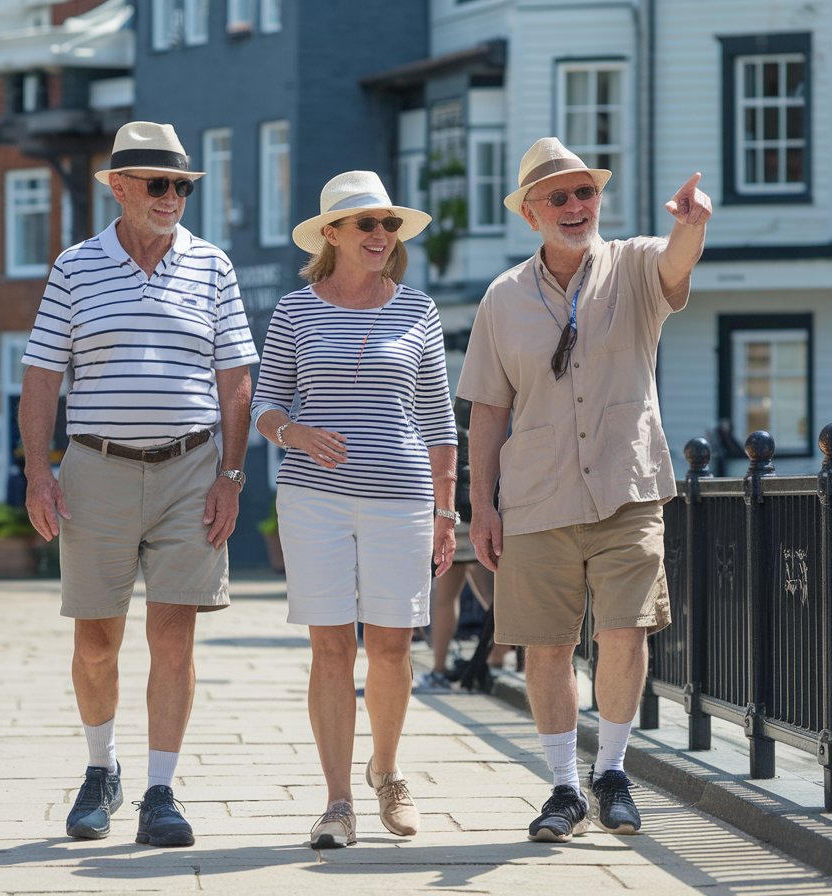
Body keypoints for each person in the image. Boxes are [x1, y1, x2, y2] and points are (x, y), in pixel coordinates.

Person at [457, 137, 711, 842]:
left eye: (585, 193)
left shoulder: (632, 265)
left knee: (625, 634)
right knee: (545, 647)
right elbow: (487, 409)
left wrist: (692, 223)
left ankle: (614, 773)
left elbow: (676, 263)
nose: (575, 206)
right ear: (531, 213)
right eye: (558, 197)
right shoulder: (503, 297)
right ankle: (564, 788)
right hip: (538, 497)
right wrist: (482, 507)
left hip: (627, 486)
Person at [18, 121, 258, 848]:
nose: (172, 197)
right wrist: (37, 471)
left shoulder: (213, 267)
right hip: (96, 467)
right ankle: (102, 770)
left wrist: (232, 476)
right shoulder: (75, 268)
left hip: (192, 469)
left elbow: (237, 382)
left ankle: (160, 790)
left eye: (181, 185)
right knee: (96, 637)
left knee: (174, 636)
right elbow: (40, 377)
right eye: (157, 184)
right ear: (118, 188)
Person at [250, 170, 457, 849]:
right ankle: (337, 802)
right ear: (331, 234)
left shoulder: (418, 311)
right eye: (365, 224)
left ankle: (387, 771)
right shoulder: (295, 309)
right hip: (313, 500)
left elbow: (438, 421)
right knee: (331, 646)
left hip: (402, 498)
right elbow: (265, 406)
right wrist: (295, 434)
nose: (380, 235)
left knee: (393, 646)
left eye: (389, 224)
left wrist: (447, 511)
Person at [417, 397, 509, 693]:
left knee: (447, 595)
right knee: (494, 594)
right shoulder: (495, 420)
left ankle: (440, 669)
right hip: (481, 513)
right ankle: (495, 657)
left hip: (454, 516)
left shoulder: (443, 423)